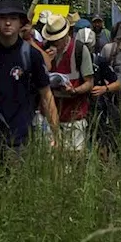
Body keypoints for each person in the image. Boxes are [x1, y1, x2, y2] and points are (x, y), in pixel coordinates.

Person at [0, 0, 58, 153]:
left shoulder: (32, 55)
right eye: (3, 18)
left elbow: (46, 95)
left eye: (13, 18)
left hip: (20, 139)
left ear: (21, 23)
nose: (8, 23)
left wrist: (56, 134)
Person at [48, 16, 96, 152]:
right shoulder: (46, 50)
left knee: (74, 157)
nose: (54, 42)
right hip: (50, 117)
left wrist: (74, 90)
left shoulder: (79, 50)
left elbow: (89, 83)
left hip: (74, 116)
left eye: (57, 39)